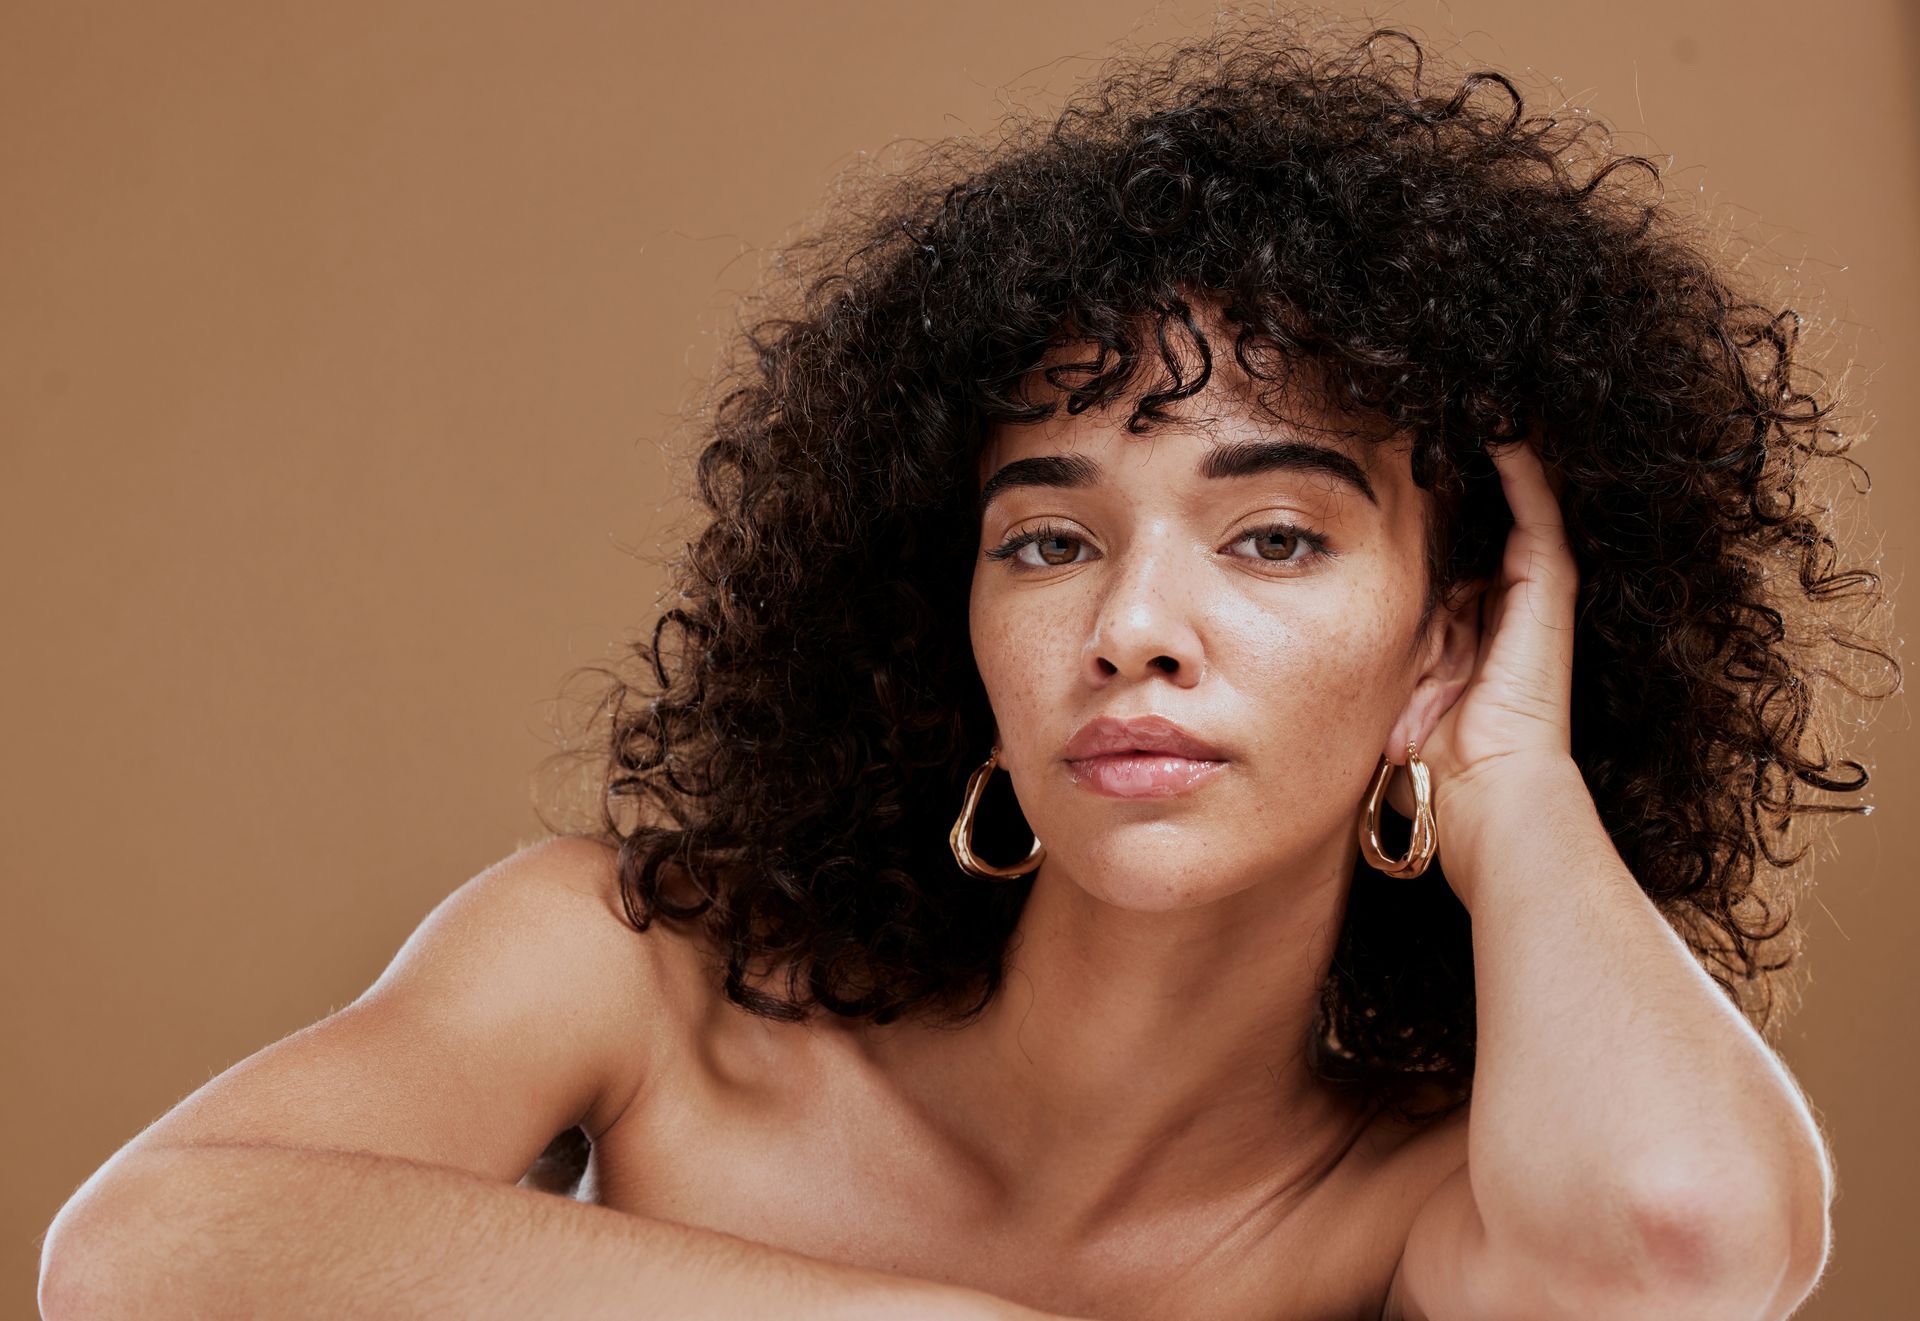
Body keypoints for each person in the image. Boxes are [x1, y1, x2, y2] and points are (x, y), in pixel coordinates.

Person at [40, 14, 1894, 1320]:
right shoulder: (636, 978)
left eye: (1273, 537)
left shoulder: (1412, 1202)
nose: (1132, 625)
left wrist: (1516, 785)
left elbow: (1681, 1247)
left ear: (1453, 631)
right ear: (955, 622)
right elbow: (148, 1249)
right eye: (1047, 539)